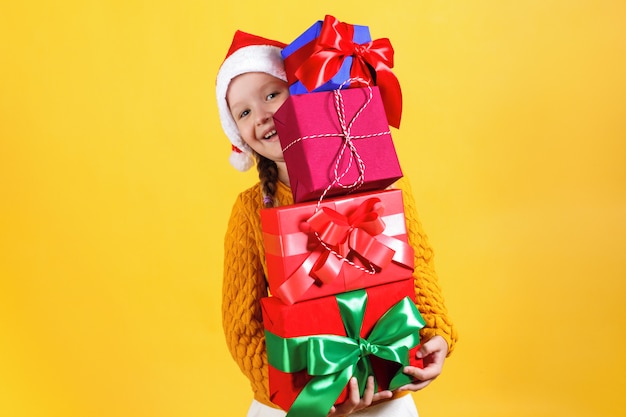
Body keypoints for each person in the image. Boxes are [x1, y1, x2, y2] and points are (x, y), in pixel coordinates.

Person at [216, 30, 458, 417]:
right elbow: (242, 324)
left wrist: (435, 333)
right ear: (239, 137)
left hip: (385, 388)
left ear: (302, 96)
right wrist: (301, 399)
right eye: (243, 112)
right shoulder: (250, 212)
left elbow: (418, 263)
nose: (260, 115)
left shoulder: (383, 181)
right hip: (298, 404)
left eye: (271, 94)